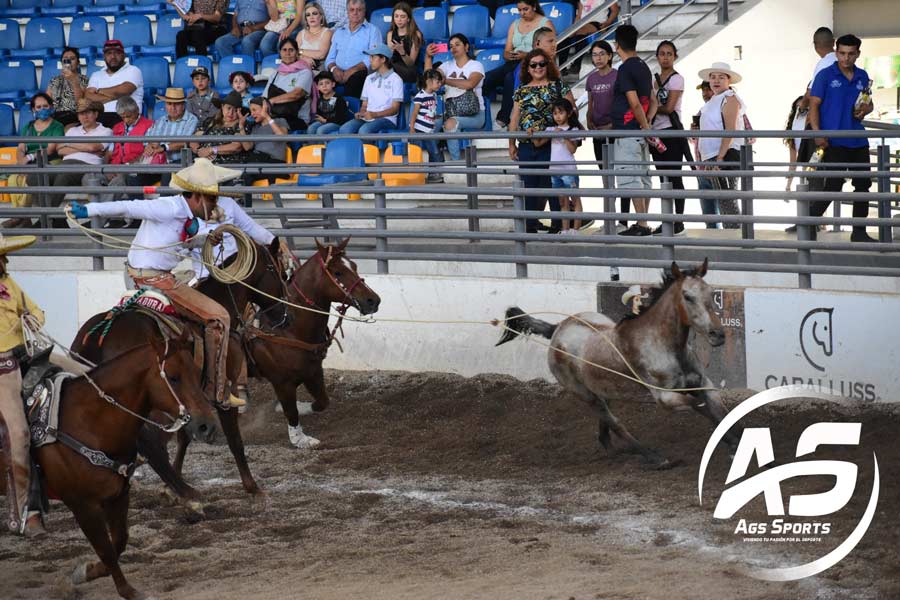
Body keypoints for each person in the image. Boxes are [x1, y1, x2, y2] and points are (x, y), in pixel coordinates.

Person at [67, 159, 242, 409]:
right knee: (220, 317)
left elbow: (186, 238)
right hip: (157, 279)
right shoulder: (169, 207)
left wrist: (201, 234)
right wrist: (91, 210)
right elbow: (129, 207)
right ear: (198, 196)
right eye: (212, 199)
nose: (215, 205)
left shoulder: (187, 214)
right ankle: (217, 391)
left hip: (138, 276)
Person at [0, 233, 47, 537]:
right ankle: (25, 511)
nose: (4, 261)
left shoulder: (10, 284)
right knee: (18, 433)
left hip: (22, 358)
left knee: (76, 375)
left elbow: (38, 312)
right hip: (3, 369)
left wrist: (31, 318)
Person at [808, 33, 875, 243]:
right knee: (834, 184)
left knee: (863, 185)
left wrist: (867, 108)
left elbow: (868, 103)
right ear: (836, 52)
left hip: (858, 139)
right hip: (834, 140)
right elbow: (814, 105)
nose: (846, 58)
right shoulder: (825, 75)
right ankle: (808, 222)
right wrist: (818, 133)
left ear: (857, 54)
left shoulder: (863, 76)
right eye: (842, 53)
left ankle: (859, 232)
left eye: (851, 54)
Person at [508, 48, 575, 233]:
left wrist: (557, 129)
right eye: (534, 64)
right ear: (527, 68)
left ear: (548, 65)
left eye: (542, 64)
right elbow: (514, 117)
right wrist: (511, 143)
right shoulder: (521, 90)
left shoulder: (558, 86)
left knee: (552, 185)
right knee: (528, 186)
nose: (538, 67)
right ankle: (529, 225)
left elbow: (572, 110)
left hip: (553, 144)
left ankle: (558, 225)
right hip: (527, 145)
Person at [29, 99, 111, 224]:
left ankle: (46, 220)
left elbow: (93, 147)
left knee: (64, 174)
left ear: (96, 114)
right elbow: (60, 150)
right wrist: (86, 147)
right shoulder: (72, 131)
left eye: (88, 113)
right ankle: (55, 219)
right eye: (81, 113)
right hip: (65, 164)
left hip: (88, 167)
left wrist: (72, 145)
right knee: (34, 176)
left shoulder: (105, 131)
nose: (84, 116)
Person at [610, 24, 653, 237]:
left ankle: (642, 224)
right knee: (643, 178)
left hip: (629, 132)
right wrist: (647, 125)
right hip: (639, 132)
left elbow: (634, 103)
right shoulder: (644, 65)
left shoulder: (626, 68)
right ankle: (642, 222)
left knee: (631, 178)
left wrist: (644, 126)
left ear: (617, 44)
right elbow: (652, 100)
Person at [485, 0, 554, 129]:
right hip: (513, 61)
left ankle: (503, 118)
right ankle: (481, 114)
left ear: (534, 7)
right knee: (487, 78)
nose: (522, 13)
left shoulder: (545, 23)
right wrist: (508, 55)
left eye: (525, 9)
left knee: (509, 79)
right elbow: (507, 50)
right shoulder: (515, 24)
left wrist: (527, 55)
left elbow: (548, 51)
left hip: (532, 64)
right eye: (520, 10)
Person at [1, 94, 64, 228]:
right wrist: (22, 163)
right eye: (39, 107)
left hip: (49, 161)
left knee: (28, 180)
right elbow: (20, 148)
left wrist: (29, 157)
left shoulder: (57, 126)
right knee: (13, 179)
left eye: (45, 106)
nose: (42, 109)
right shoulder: (28, 127)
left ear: (51, 107)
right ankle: (23, 217)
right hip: (28, 163)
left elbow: (51, 148)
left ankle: (20, 217)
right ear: (33, 110)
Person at [697, 61, 745, 229]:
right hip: (712, 155)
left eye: (721, 77)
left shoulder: (729, 98)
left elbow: (730, 129)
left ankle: (737, 235)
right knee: (723, 198)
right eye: (713, 77)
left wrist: (720, 158)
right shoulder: (713, 101)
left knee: (727, 198)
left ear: (728, 80)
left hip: (725, 155)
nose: (716, 80)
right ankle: (734, 234)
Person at [647, 40, 688, 235]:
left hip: (671, 133)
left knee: (674, 177)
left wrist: (651, 110)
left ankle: (678, 220)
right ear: (657, 56)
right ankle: (667, 219)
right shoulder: (654, 80)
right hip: (657, 133)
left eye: (669, 54)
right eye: (662, 53)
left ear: (675, 56)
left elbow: (669, 107)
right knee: (663, 178)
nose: (665, 57)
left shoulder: (677, 79)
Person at [424, 33, 485, 161]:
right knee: (429, 124)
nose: (454, 48)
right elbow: (429, 80)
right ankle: (436, 162)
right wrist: (428, 57)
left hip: (475, 114)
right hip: (451, 112)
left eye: (457, 44)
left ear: (467, 47)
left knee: (450, 123)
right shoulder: (446, 66)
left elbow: (470, 83)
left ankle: (456, 165)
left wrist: (446, 80)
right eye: (451, 46)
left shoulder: (476, 65)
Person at [585, 40, 623, 229]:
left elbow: (622, 104)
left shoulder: (617, 76)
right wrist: (589, 121)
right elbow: (591, 103)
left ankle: (623, 221)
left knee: (620, 175)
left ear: (609, 55)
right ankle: (610, 219)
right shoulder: (591, 79)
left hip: (615, 131)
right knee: (605, 178)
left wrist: (612, 126)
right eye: (594, 55)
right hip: (598, 133)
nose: (598, 58)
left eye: (601, 54)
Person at [130, 88, 200, 187]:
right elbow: (148, 138)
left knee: (167, 175)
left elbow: (185, 141)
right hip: (157, 162)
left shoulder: (191, 120)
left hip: (179, 162)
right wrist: (149, 146)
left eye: (177, 104)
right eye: (169, 104)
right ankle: (138, 202)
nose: (173, 108)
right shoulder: (160, 120)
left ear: (183, 105)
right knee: (133, 178)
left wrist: (163, 147)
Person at [495, 27, 557, 137]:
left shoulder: (551, 64)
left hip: (551, 129)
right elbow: (518, 101)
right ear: (537, 43)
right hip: (530, 132)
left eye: (555, 41)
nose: (554, 45)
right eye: (550, 41)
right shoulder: (527, 67)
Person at [338, 44, 402, 135]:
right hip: (368, 117)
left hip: (387, 119)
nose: (370, 60)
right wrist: (361, 113)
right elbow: (364, 104)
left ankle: (366, 150)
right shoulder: (369, 78)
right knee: (345, 129)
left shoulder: (396, 79)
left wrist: (374, 114)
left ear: (383, 59)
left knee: (364, 131)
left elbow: (395, 109)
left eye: (373, 57)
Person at [324, 0, 381, 99]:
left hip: (358, 73)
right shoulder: (339, 32)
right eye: (352, 10)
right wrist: (334, 69)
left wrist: (351, 71)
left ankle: (349, 111)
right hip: (337, 72)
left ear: (364, 11)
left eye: (359, 10)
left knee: (357, 79)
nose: (355, 13)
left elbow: (373, 57)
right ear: (347, 11)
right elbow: (330, 58)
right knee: (321, 79)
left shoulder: (373, 31)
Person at [104, 97, 155, 209]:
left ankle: (99, 218)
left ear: (136, 111)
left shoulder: (149, 125)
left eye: (129, 116)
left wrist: (125, 167)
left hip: (132, 168)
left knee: (118, 182)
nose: (126, 120)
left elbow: (147, 153)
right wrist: (106, 168)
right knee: (91, 177)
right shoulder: (117, 127)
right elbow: (110, 152)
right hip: (115, 167)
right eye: (123, 117)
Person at [84, 40, 144, 129]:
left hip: (125, 116)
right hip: (98, 117)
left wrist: (99, 91)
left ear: (123, 55)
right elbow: (89, 97)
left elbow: (124, 90)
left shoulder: (133, 70)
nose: (113, 56)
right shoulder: (96, 75)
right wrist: (114, 96)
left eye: (117, 53)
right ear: (104, 56)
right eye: (109, 53)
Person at [546, 98, 584, 233]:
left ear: (568, 114)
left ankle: (576, 230)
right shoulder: (550, 129)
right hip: (554, 170)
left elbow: (573, 149)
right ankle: (565, 229)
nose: (557, 116)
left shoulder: (573, 129)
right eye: (555, 113)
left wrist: (564, 135)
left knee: (575, 199)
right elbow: (539, 141)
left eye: (561, 113)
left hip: (568, 170)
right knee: (562, 202)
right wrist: (533, 130)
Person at [558, 0, 618, 81]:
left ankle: (576, 65)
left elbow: (615, 10)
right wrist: (572, 30)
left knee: (581, 33)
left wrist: (607, 23)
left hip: (598, 23)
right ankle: (562, 67)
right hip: (582, 23)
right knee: (565, 37)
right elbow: (579, 16)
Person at [262, 37, 314, 130]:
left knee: (270, 127)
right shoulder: (275, 73)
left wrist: (272, 101)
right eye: (284, 50)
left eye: (291, 50)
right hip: (275, 114)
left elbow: (296, 94)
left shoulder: (305, 72)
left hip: (296, 118)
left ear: (297, 52)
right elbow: (264, 97)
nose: (287, 53)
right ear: (280, 53)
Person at [191, 91, 253, 164]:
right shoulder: (211, 121)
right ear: (222, 107)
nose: (231, 113)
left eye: (235, 110)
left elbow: (236, 147)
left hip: (228, 164)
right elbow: (193, 138)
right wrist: (199, 150)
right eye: (228, 108)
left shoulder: (242, 124)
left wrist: (211, 150)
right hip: (203, 161)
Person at [690, 80, 720, 228]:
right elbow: (693, 140)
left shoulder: (728, 107)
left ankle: (730, 241)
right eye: (703, 90)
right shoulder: (701, 112)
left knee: (726, 207)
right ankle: (714, 243)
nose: (705, 94)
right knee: (708, 213)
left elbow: (749, 135)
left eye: (708, 90)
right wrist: (694, 132)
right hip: (702, 166)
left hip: (720, 165)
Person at [409, 68, 445, 183]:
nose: (440, 84)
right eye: (437, 82)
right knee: (417, 152)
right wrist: (412, 128)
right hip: (419, 129)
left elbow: (430, 110)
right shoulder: (420, 96)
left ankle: (433, 174)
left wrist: (435, 118)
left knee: (434, 151)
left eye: (440, 82)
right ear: (429, 81)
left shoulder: (434, 95)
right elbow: (415, 113)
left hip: (429, 129)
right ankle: (415, 176)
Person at [45, 47, 88, 128]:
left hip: (74, 116)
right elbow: (46, 100)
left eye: (72, 59)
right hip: (55, 116)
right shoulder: (54, 80)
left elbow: (80, 101)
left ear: (78, 63)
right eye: (65, 59)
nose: (69, 61)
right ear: (62, 63)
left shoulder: (84, 79)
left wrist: (73, 81)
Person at [386, 2, 423, 84]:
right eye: (396, 16)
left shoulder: (416, 34)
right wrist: (390, 52)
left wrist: (402, 52)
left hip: (409, 69)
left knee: (388, 69)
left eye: (402, 17)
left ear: (408, 19)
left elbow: (411, 63)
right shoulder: (390, 34)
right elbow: (389, 59)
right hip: (393, 67)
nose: (399, 19)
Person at [306, 70, 352, 135]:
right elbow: (319, 116)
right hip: (323, 122)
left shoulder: (339, 99)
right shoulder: (319, 100)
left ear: (333, 84)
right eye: (321, 84)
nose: (324, 86)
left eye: (327, 83)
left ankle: (322, 145)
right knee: (311, 129)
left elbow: (341, 119)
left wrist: (325, 121)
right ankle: (313, 145)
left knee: (321, 130)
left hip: (336, 123)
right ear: (318, 87)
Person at [296, 2, 333, 72]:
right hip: (300, 66)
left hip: (318, 68)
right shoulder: (301, 34)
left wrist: (300, 51)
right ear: (306, 19)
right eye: (308, 15)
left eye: (315, 13)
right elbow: (293, 53)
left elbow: (321, 54)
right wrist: (304, 58)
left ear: (321, 16)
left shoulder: (327, 32)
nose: (311, 17)